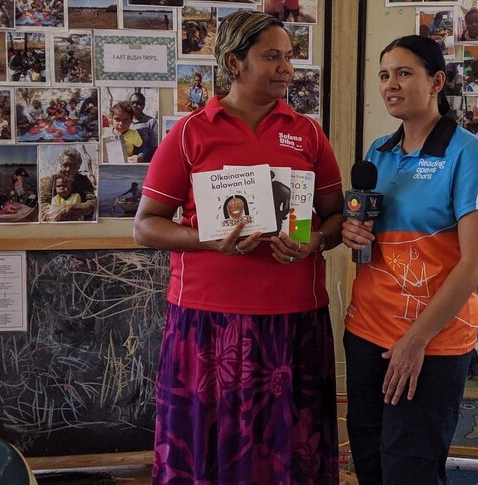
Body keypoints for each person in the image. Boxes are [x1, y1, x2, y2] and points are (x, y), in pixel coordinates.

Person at [133, 10, 344, 484]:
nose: (286, 68)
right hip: (207, 323)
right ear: (234, 61)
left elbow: (335, 218)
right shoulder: (189, 133)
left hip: (295, 322)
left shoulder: (308, 133)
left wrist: (310, 242)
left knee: (291, 452)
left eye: (289, 56)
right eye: (272, 56)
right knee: (209, 450)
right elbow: (145, 227)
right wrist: (207, 241)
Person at [341, 35, 478, 485]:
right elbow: (369, 236)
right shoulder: (379, 152)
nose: (391, 84)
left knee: (409, 468)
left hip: (429, 342)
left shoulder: (470, 154)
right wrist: (351, 232)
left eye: (404, 73)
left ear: (436, 82)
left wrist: (415, 341)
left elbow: (476, 263)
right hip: (366, 331)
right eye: (384, 75)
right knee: (370, 459)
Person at [38, 147, 96, 222]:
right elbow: (43, 202)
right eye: (65, 165)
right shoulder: (54, 179)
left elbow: (92, 203)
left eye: (72, 165)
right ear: (61, 166)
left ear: (78, 166)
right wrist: (55, 211)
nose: (68, 169)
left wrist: (70, 208)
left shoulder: (83, 181)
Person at [128, 92, 158, 163]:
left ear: (143, 105)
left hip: (144, 162)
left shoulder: (151, 122)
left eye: (139, 103)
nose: (135, 105)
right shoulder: (124, 120)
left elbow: (154, 147)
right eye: (132, 103)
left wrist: (143, 156)